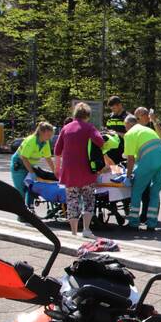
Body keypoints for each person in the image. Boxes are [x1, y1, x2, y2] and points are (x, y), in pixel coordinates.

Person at [54, 102, 105, 238]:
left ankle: (74, 232)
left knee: (72, 201)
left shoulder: (65, 128)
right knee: (88, 200)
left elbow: (57, 150)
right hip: (86, 171)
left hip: (69, 172)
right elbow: (100, 142)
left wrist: (57, 169)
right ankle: (86, 229)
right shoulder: (89, 128)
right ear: (87, 115)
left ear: (75, 114)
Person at [123, 114, 161, 230]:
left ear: (128, 124)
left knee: (136, 191)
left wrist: (128, 176)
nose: (125, 128)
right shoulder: (147, 130)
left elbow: (130, 159)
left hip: (150, 161)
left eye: (125, 126)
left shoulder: (129, 134)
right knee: (154, 192)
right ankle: (151, 223)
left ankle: (133, 223)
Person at [11, 122, 56, 207]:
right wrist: (32, 172)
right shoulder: (31, 141)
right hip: (19, 164)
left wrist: (55, 171)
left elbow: (48, 158)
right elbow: (24, 157)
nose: (50, 137)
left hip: (30, 165)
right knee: (21, 189)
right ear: (41, 132)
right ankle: (20, 210)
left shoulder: (45, 142)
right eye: (49, 135)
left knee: (32, 187)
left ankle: (30, 208)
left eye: (51, 135)